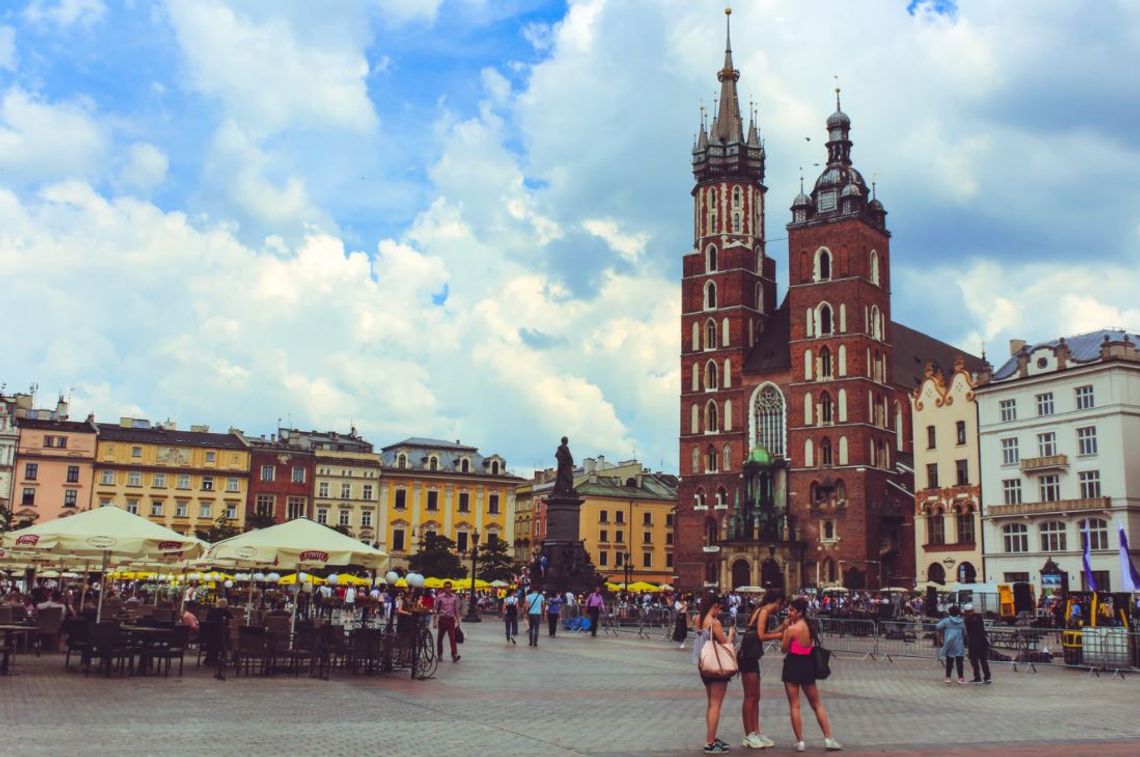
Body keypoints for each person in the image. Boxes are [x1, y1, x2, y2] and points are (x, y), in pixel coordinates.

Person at [781, 598, 841, 752]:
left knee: (795, 705)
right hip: (807, 664)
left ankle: (800, 741)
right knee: (816, 703)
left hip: (793, 664)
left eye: (792, 610)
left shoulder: (792, 629)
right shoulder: (810, 626)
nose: (789, 612)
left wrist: (786, 629)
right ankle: (828, 738)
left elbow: (783, 648)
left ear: (799, 612)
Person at [739, 590, 786, 749]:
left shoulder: (760, 610)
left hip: (751, 654)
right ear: (777, 601)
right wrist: (780, 635)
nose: (780, 609)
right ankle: (749, 734)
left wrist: (781, 627)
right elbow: (761, 635)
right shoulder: (764, 611)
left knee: (755, 696)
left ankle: (756, 731)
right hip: (749, 655)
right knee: (750, 696)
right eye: (781, 605)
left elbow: (764, 632)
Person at [693, 592, 735, 754]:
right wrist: (731, 634)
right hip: (716, 667)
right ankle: (710, 742)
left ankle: (712, 737)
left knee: (711, 703)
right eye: (719, 608)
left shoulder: (698, 619)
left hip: (704, 665)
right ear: (714, 606)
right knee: (716, 704)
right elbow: (725, 644)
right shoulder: (714, 622)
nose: (719, 612)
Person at [937, 604, 967, 684]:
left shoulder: (946, 621)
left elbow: (937, 626)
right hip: (959, 643)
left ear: (949, 612)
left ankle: (948, 677)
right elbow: (964, 632)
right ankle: (961, 678)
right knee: (959, 661)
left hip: (949, 643)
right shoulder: (961, 621)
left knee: (949, 661)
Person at [962, 604, 991, 684]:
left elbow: (966, 626)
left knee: (974, 659)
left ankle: (977, 677)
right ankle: (987, 677)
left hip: (974, 642)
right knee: (983, 660)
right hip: (983, 640)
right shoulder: (979, 617)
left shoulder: (967, 620)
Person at [434, 581, 462, 663]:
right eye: (446, 587)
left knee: (453, 638)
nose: (447, 589)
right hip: (442, 619)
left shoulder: (454, 597)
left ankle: (454, 655)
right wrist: (434, 621)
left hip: (451, 620)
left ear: (451, 588)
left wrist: (458, 622)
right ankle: (440, 654)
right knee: (440, 638)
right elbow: (436, 609)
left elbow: (456, 610)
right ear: (443, 588)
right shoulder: (440, 597)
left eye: (449, 587)